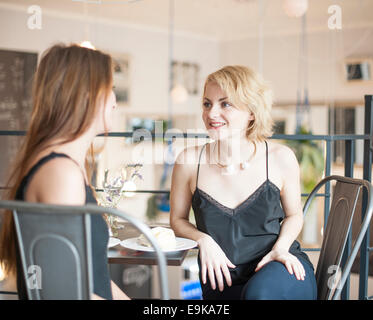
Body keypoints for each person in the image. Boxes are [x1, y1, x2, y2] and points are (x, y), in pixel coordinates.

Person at [170, 65, 317, 300]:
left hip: (279, 268)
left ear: (251, 111)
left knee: (260, 294)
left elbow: (294, 215)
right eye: (207, 103)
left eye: (225, 104)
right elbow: (177, 219)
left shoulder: (280, 157)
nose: (211, 113)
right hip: (221, 278)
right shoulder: (189, 161)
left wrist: (280, 249)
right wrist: (203, 240)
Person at [0, 43, 129, 300]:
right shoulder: (60, 173)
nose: (115, 101)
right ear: (86, 96)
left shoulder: (64, 166)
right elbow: (62, 292)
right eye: (110, 89)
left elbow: (94, 276)